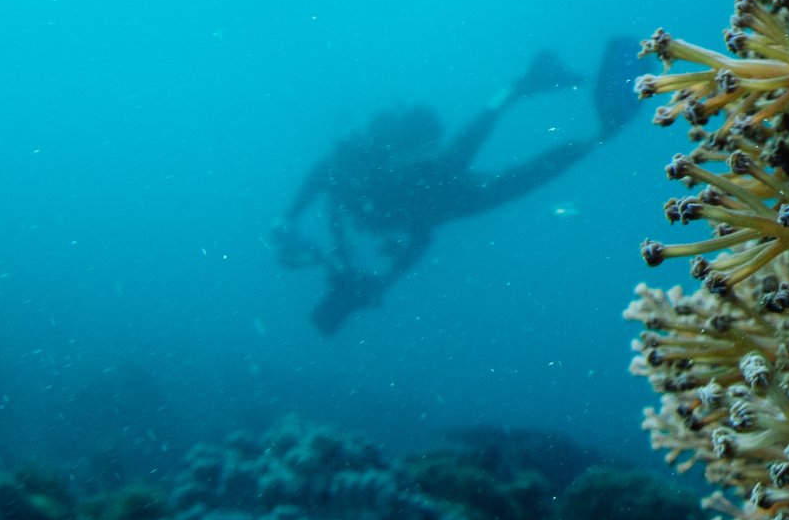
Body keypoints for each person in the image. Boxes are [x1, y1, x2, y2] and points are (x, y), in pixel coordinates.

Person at [273, 36, 641, 334]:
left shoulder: (354, 174)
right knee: (512, 175)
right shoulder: (351, 180)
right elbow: (415, 233)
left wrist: (291, 220)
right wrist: (383, 277)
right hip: (441, 197)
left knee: (511, 175)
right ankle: (554, 104)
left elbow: (327, 179)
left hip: (437, 191)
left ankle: (576, 120)